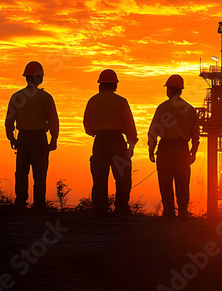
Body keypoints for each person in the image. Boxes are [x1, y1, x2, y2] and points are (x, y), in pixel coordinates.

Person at [5, 61, 59, 212]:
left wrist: (11, 137)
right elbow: (53, 121)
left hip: (23, 139)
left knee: (21, 172)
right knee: (40, 173)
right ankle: (39, 205)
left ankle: (20, 203)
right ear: (39, 77)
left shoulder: (17, 96)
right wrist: (54, 139)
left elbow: (9, 120)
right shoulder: (46, 97)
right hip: (40, 139)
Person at [83, 69, 138, 216]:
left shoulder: (93, 101)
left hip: (100, 142)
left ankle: (100, 209)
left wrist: (97, 131)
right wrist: (131, 145)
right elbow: (129, 126)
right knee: (123, 177)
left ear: (100, 84)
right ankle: (121, 208)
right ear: (115, 85)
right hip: (117, 142)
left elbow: (87, 128)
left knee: (99, 177)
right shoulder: (121, 102)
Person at [148, 74, 199, 218]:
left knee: (165, 182)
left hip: (165, 149)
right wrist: (193, 152)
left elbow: (153, 131)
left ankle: (169, 211)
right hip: (182, 149)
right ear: (181, 90)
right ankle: (183, 211)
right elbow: (195, 135)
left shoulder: (162, 108)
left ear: (169, 89)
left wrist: (152, 148)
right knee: (182, 182)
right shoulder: (190, 109)